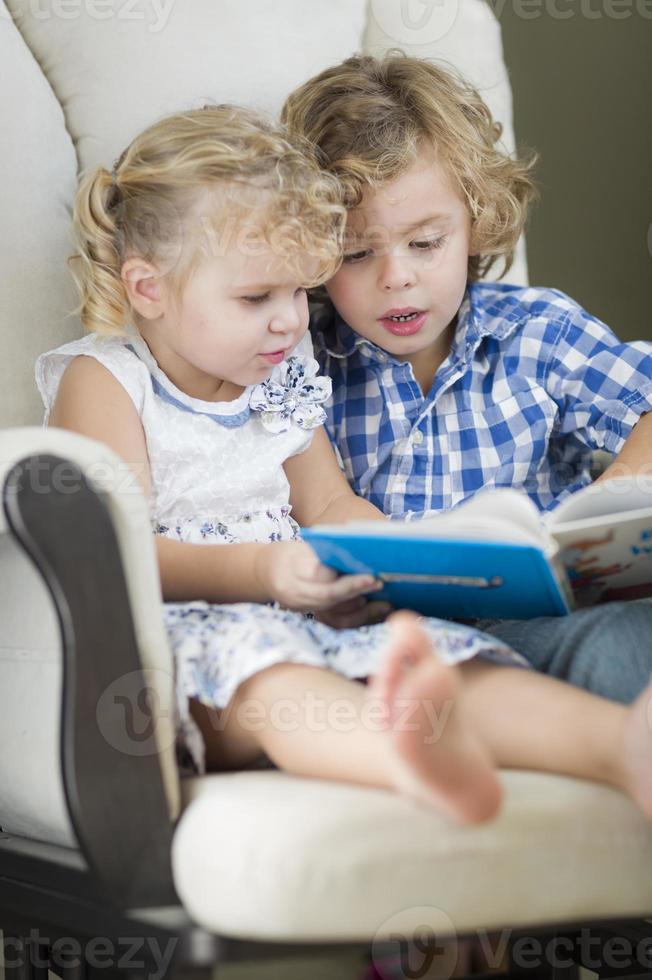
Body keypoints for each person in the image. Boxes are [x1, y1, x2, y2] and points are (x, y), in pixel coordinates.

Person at [36, 104, 652, 826]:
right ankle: (410, 763)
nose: (293, 320)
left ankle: (619, 743)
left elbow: (329, 505)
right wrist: (265, 571)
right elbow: (110, 551)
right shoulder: (107, 380)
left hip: (309, 617)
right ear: (148, 289)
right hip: (193, 646)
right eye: (258, 296)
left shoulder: (282, 374)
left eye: (301, 290)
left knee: (447, 659)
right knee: (276, 679)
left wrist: (386, 564)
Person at [281, 54, 652, 704]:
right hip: (404, 645)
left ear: (475, 222)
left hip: (556, 618)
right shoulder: (299, 363)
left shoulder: (540, 330)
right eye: (357, 253)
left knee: (624, 637)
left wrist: (614, 493)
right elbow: (327, 511)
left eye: (426, 243)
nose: (397, 276)